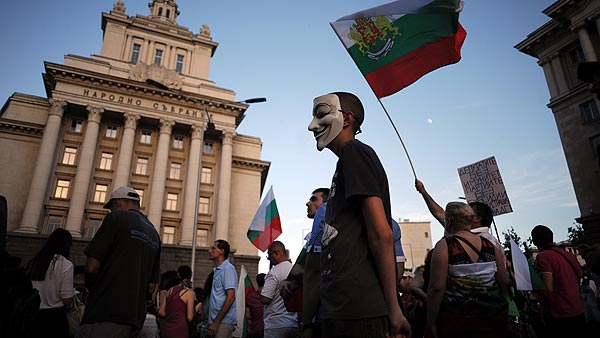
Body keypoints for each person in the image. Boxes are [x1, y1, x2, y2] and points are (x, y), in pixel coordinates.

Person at [307, 92, 410, 338]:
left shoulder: (354, 152)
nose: (312, 125)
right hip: (342, 309)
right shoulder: (345, 161)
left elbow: (380, 234)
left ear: (347, 119)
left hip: (359, 312)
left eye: (321, 115)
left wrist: (394, 310)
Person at [76, 186, 161, 338]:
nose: (111, 211)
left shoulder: (116, 218)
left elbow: (92, 267)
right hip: (135, 319)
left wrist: (92, 292)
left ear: (118, 202)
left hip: (105, 312)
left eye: (112, 208)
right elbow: (151, 287)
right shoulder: (154, 233)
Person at [427, 202, 509, 338]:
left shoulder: (445, 246)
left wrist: (431, 320)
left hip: (458, 320)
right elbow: (504, 281)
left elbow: (437, 288)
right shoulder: (490, 245)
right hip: (491, 318)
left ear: (448, 221)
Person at [281, 187, 329, 338]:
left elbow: (314, 270)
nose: (308, 203)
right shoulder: (310, 241)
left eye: (314, 199)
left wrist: (307, 322)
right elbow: (301, 270)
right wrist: (289, 281)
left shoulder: (331, 233)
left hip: (325, 315)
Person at [415, 179, 503, 251]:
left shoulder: (490, 242)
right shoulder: (456, 228)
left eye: (467, 211)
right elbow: (439, 213)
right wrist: (423, 191)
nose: (463, 212)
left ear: (476, 218)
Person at [531, 224, 585, 338]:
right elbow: (579, 275)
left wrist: (532, 284)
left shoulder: (544, 256)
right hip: (578, 311)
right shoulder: (569, 255)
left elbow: (547, 288)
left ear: (534, 241)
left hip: (559, 315)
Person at [26, 228, 74, 338]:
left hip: (31, 316)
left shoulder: (35, 262)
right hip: (54, 319)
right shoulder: (66, 264)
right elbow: (67, 300)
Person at [260, 241, 299, 338]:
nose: (269, 259)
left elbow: (265, 298)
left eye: (269, 256)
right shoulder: (295, 270)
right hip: (293, 324)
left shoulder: (274, 271)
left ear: (276, 253)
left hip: (276, 325)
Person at [207, 240, 237, 338]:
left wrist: (217, 322)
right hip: (216, 322)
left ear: (222, 251)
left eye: (213, 248)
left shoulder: (228, 269)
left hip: (223, 323)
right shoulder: (218, 270)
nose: (209, 251)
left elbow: (231, 297)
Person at [159, 265, 195, 338]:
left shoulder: (170, 290)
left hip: (167, 329)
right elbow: (190, 317)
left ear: (178, 275)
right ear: (190, 276)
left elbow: (161, 312)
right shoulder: (189, 293)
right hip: (180, 330)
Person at [246, 273, 265, 338]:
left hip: (255, 329)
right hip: (268, 328)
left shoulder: (251, 297)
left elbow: (247, 316)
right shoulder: (271, 296)